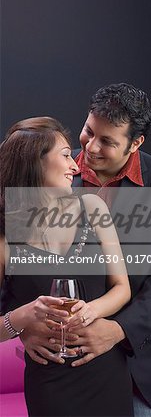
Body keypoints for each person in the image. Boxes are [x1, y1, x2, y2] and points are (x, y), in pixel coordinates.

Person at [18, 83, 151, 417]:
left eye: (108, 141)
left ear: (135, 143)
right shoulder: (53, 172)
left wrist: (116, 330)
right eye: (88, 131)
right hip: (60, 372)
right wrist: (24, 328)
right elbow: (21, 268)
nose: (92, 148)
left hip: (135, 363)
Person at [0, 116, 133, 416]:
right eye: (65, 156)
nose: (76, 165)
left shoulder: (93, 207)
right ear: (35, 162)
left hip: (106, 373)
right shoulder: (5, 235)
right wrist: (21, 320)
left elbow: (122, 288)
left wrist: (92, 310)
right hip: (50, 381)